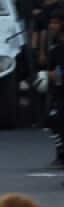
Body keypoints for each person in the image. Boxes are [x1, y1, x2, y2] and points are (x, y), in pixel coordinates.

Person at [46, 24, 64, 166]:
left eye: (55, 23)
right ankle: (60, 152)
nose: (52, 26)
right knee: (54, 121)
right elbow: (51, 72)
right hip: (60, 93)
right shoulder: (56, 50)